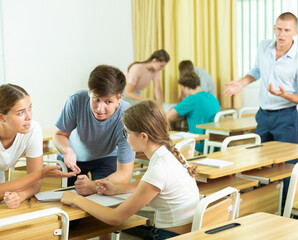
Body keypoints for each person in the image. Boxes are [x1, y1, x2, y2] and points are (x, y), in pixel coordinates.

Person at [61, 100, 199, 240]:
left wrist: (75, 199)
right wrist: (116, 189)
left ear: (144, 136)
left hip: (168, 236)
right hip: (186, 234)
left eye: (126, 132)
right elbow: (147, 185)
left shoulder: (159, 168)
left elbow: (116, 218)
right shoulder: (169, 155)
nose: (125, 137)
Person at [224, 12, 298, 210]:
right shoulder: (264, 46)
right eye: (279, 29)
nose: (282, 34)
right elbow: (256, 71)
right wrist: (240, 84)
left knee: (287, 166)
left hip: (286, 116)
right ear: (274, 28)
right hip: (263, 115)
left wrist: (285, 95)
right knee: (260, 164)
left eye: (287, 30)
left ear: (296, 32)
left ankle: (285, 210)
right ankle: (263, 206)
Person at [0, 84, 75, 208]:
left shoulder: (33, 129)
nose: (29, 117)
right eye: (20, 113)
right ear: (1, 117)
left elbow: (35, 185)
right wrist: (41, 174)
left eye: (30, 108)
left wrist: (21, 195)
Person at [53, 65, 135, 196]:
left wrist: (93, 186)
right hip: (73, 157)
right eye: (96, 99)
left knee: (103, 198)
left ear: (120, 98)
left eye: (108, 102)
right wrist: (66, 150)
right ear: (89, 92)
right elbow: (59, 135)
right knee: (69, 199)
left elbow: (125, 173)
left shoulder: (127, 115)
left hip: (106, 158)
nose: (99, 109)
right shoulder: (76, 100)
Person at [167, 72, 220, 153]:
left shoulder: (191, 99)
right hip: (215, 144)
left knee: (170, 147)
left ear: (187, 88)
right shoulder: (212, 97)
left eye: (182, 90)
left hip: (199, 145)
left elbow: (168, 117)